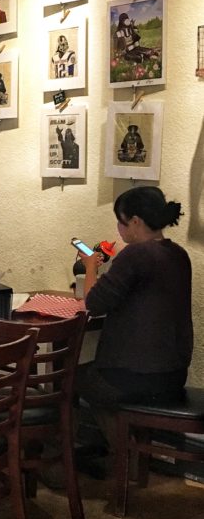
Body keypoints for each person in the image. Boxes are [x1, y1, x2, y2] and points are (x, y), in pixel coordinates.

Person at [75, 187, 193, 472]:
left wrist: (89, 266)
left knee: (76, 378)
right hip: (173, 373)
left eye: (121, 221)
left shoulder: (135, 255)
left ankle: (122, 454)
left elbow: (94, 302)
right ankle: (128, 449)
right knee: (93, 377)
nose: (118, 228)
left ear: (136, 222)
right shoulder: (178, 254)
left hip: (139, 377)